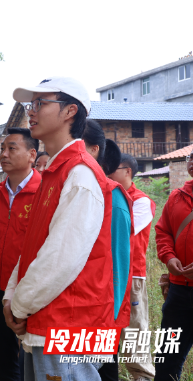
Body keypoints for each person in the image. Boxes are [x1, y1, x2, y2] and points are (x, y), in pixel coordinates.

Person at [5, 77, 114, 380]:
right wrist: (12, 296)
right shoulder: (55, 171)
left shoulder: (79, 173)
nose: (32, 111)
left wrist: (19, 303)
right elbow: (35, 245)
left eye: (40, 103)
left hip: (67, 324)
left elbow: (61, 259)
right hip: (47, 319)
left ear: (69, 111)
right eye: (31, 104)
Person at [0, 127, 40, 381]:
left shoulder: (44, 192)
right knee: (2, 355)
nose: (3, 154)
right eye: (3, 148)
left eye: (11, 148)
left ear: (31, 154)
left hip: (30, 288)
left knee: (29, 355)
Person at [83, 119, 133, 381]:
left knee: (103, 370)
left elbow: (119, 266)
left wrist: (108, 321)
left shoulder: (113, 199)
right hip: (80, 312)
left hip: (101, 315)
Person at [108, 153, 156, 381]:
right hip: (107, 276)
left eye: (112, 168)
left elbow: (121, 231)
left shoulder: (142, 201)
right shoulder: (109, 196)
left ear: (127, 171)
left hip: (132, 278)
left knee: (134, 335)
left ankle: (143, 376)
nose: (107, 172)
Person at [154, 152, 193, 381]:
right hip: (179, 291)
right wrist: (168, 257)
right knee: (167, 358)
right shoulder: (176, 197)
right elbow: (163, 231)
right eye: (191, 158)